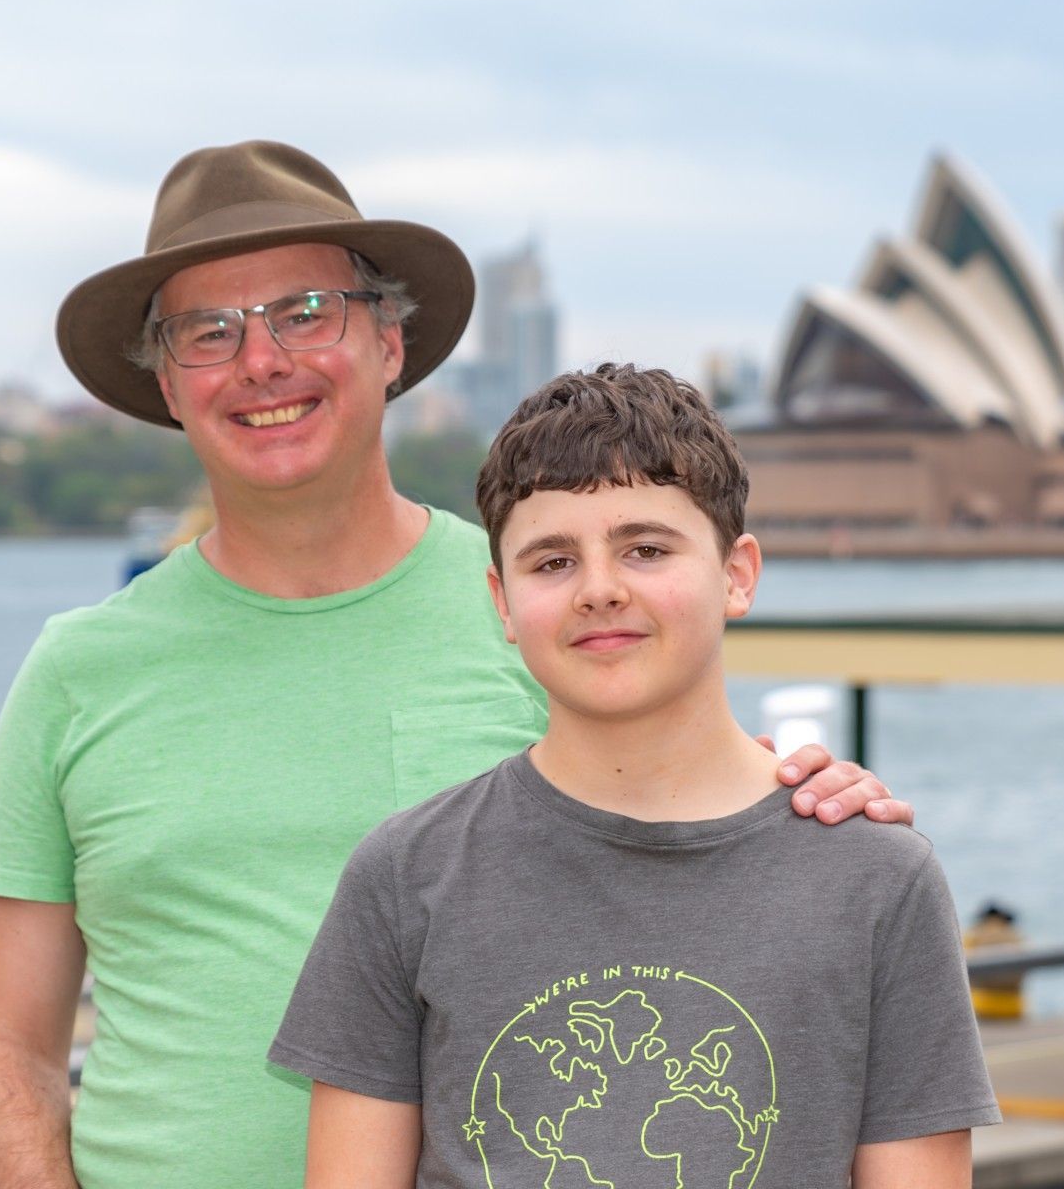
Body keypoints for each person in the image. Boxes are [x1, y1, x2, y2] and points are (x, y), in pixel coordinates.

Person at [0, 141, 912, 1189]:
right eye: (208, 331)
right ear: (168, 384)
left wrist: (811, 798)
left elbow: (705, 827)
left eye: (306, 311)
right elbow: (9, 1045)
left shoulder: (541, 608)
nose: (261, 359)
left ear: (391, 341)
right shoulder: (76, 669)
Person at [270, 364, 998, 1186]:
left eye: (646, 549)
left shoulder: (878, 880)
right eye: (551, 563)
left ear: (737, 574)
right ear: (502, 605)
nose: (600, 590)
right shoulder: (405, 875)